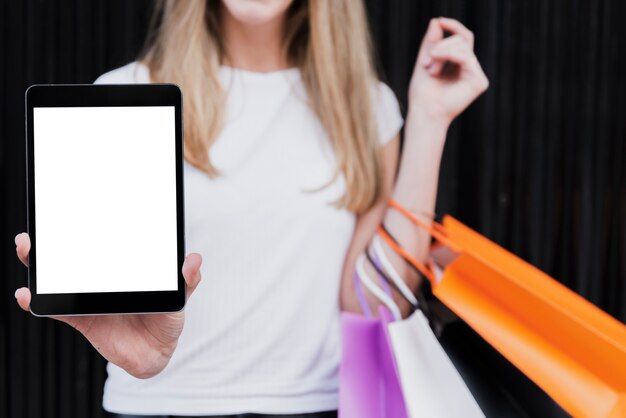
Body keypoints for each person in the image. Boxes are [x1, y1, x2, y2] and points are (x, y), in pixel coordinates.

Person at [14, 0, 488, 417]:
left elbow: (371, 304)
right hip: (160, 406)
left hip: (315, 405)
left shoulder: (366, 106)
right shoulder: (126, 93)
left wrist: (429, 119)